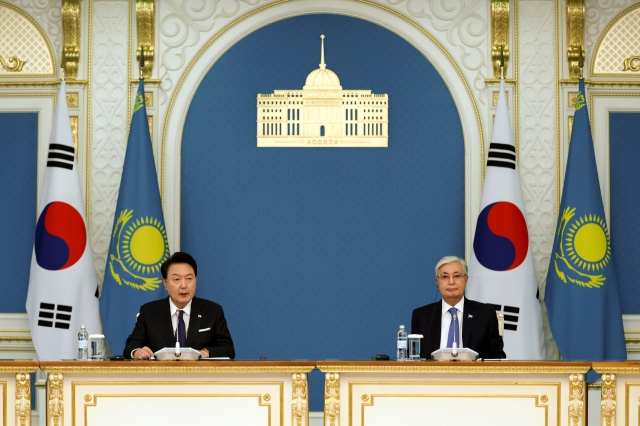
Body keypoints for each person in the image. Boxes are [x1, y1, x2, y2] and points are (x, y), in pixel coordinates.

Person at [124, 252, 235, 359]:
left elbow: (228, 349)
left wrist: (206, 352)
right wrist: (137, 352)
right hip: (162, 376)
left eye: (189, 279)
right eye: (177, 279)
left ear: (196, 280)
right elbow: (131, 346)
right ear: (166, 283)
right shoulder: (149, 312)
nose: (183, 285)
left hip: (199, 376)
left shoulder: (213, 311)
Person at [411, 256, 506, 359]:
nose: (451, 282)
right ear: (437, 282)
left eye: (456, 276)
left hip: (473, 374)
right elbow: (413, 357)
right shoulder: (421, 316)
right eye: (445, 277)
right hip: (434, 374)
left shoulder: (485, 314)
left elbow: (497, 357)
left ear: (466, 280)